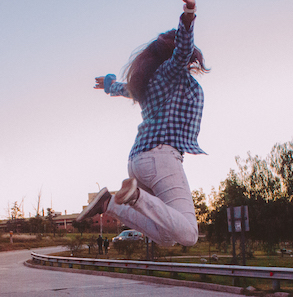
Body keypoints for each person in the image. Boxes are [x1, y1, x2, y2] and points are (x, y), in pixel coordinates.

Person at [77, 0, 209, 247]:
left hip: (138, 161)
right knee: (189, 234)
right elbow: (182, 49)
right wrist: (189, 17)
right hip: (162, 157)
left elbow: (125, 89)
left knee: (168, 237)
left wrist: (108, 86)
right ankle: (134, 196)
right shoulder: (172, 72)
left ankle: (110, 204)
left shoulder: (149, 83)